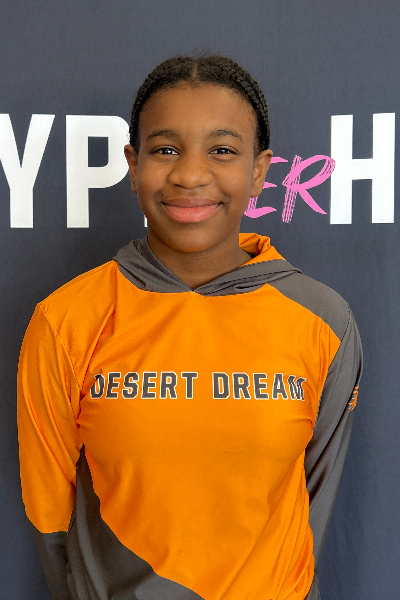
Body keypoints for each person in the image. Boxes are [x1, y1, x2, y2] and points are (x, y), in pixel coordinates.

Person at [17, 55, 362, 600]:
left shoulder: (323, 321)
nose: (191, 174)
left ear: (259, 171)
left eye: (222, 150)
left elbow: (312, 510)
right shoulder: (66, 320)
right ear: (133, 165)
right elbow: (49, 522)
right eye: (165, 150)